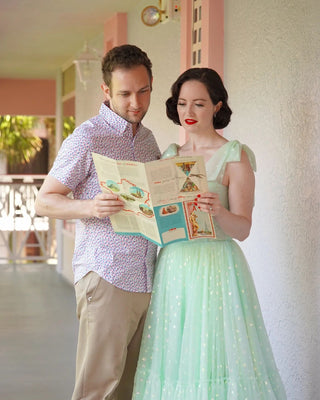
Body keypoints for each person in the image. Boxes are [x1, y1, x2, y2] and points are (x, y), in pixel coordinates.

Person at [133, 68, 287, 399]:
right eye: (182, 103)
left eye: (199, 104)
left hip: (217, 267)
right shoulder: (170, 156)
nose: (188, 113)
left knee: (216, 358)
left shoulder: (235, 156)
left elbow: (243, 229)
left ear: (217, 106)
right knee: (174, 357)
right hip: (174, 266)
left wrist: (219, 212)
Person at [35, 44, 161, 400]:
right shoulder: (87, 137)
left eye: (143, 91)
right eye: (124, 93)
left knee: (128, 389)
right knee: (97, 389)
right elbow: (44, 200)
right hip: (106, 277)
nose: (135, 102)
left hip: (146, 278)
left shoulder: (149, 140)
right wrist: (91, 207)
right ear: (106, 91)